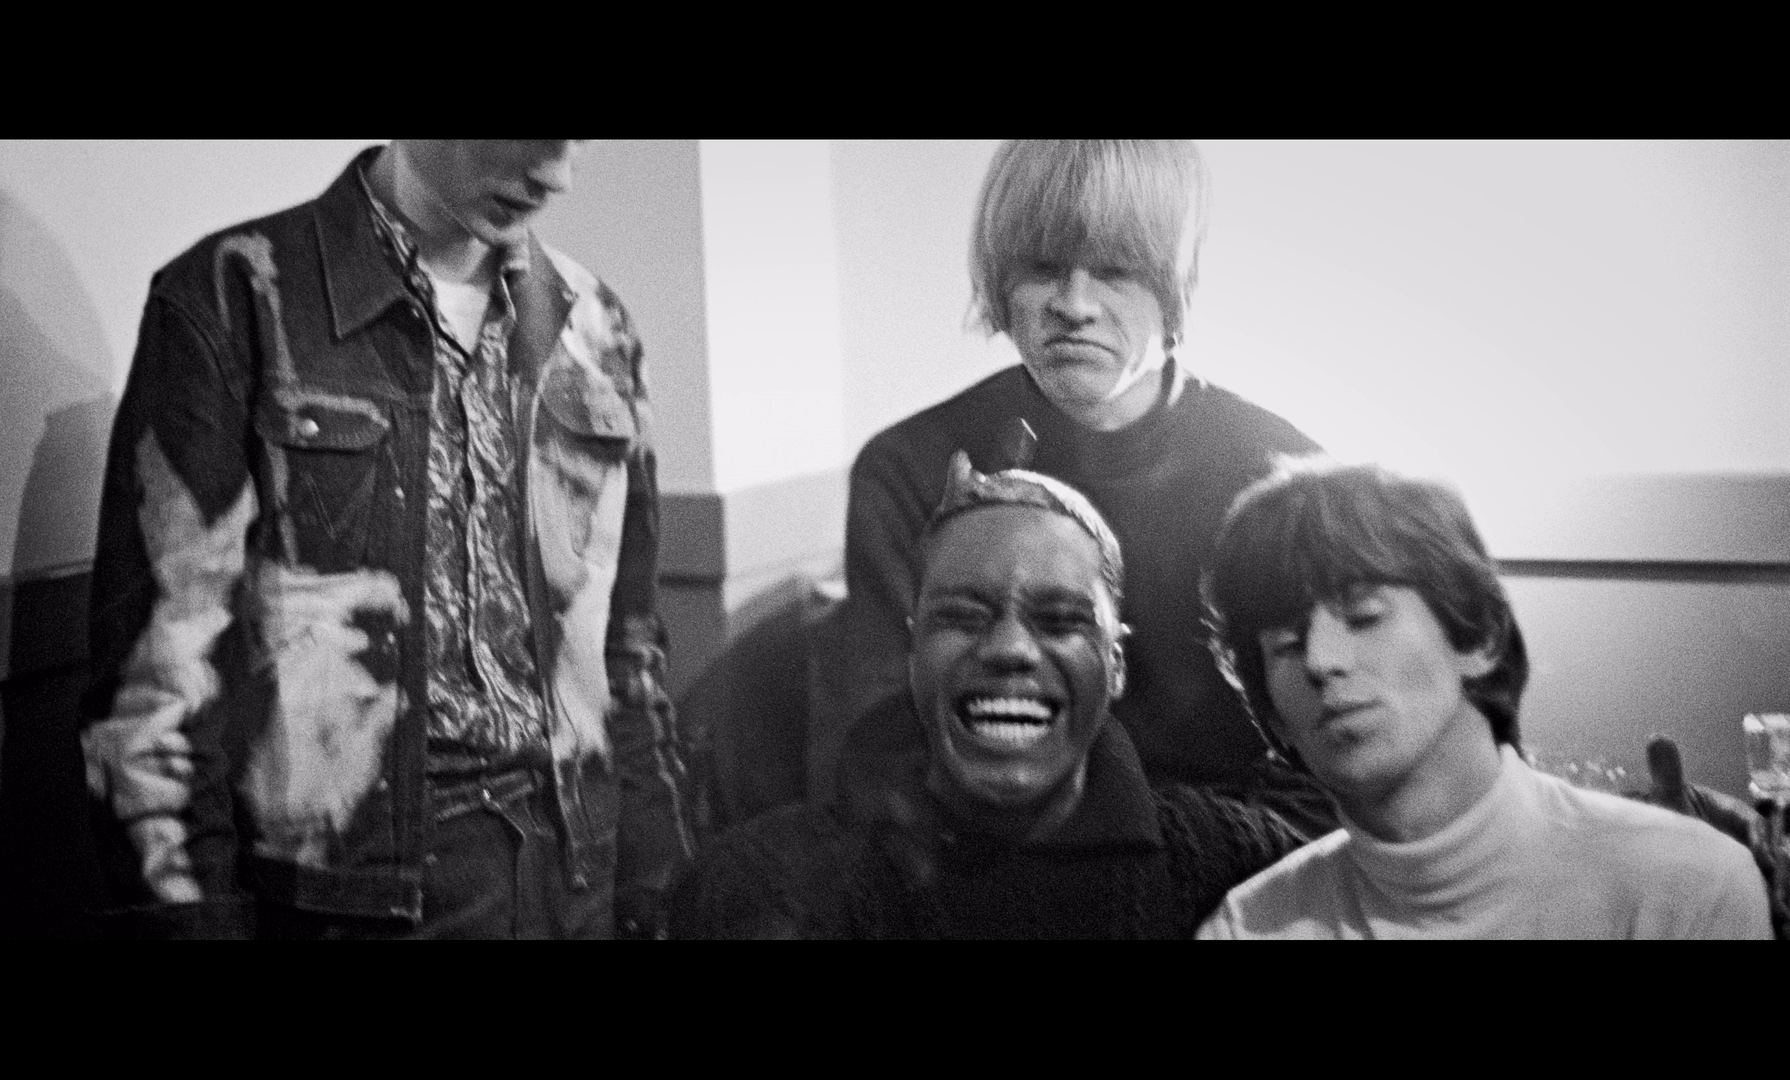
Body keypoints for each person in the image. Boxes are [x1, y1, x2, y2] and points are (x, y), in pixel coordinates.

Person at [78, 141, 695, 939]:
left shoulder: (596, 325)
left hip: (577, 878)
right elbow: (155, 689)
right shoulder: (237, 295)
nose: (557, 176)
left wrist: (664, 883)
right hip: (346, 902)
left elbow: (628, 652)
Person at [829, 139, 1331, 838]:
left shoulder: (1280, 470)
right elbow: (877, 756)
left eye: (1117, 272)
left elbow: (1327, 758)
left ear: (1178, 282)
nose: (1074, 304)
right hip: (986, 853)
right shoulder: (911, 467)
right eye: (1041, 269)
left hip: (1228, 855)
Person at [670, 454, 1302, 938]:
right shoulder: (763, 888)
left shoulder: (1233, 865)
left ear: (1114, 663)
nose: (1010, 648)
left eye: (1059, 621)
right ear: (913, 652)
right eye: (964, 616)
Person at [1194, 458, 1773, 939]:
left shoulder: (1681, 886)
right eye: (1286, 644)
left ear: (1479, 638)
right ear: (1272, 711)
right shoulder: (1251, 927)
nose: (1321, 661)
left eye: (1364, 617)